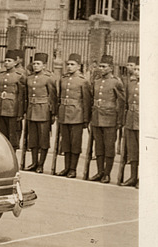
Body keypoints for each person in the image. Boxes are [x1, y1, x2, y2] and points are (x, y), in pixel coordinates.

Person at [89, 54, 125, 183]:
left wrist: (120, 121)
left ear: (110, 68)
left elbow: (121, 103)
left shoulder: (116, 82)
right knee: (99, 146)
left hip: (110, 119)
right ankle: (99, 172)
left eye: (104, 66)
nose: (101, 69)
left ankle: (107, 174)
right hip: (97, 117)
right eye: (100, 66)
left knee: (109, 147)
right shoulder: (97, 81)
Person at [56, 53, 92, 178]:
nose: (69, 67)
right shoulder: (63, 79)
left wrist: (86, 120)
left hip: (77, 115)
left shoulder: (83, 81)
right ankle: (66, 167)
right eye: (68, 64)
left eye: (72, 65)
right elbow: (59, 97)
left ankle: (73, 169)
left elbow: (87, 101)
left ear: (78, 66)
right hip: (64, 114)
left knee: (75, 143)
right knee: (65, 143)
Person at [23, 52, 57, 173]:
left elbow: (53, 97)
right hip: (32, 110)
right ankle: (33, 162)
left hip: (44, 111)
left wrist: (53, 114)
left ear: (44, 65)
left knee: (43, 140)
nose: (35, 66)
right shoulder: (30, 78)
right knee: (32, 139)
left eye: (38, 64)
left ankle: (41, 164)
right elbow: (26, 96)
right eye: (34, 64)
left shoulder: (48, 78)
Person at [0, 50, 26, 149]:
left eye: (9, 61)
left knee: (13, 136)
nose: (6, 63)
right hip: (1, 108)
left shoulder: (19, 76)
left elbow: (21, 97)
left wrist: (20, 113)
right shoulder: (1, 75)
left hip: (13, 109)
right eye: (5, 60)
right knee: (2, 136)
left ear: (15, 63)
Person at [121, 63, 139, 187]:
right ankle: (133, 176)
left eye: (139, 69)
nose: (136, 71)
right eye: (135, 69)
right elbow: (125, 103)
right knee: (132, 150)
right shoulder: (130, 84)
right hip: (131, 120)